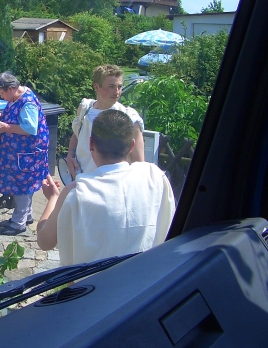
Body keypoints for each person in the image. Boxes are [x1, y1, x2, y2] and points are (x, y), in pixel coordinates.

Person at [37, 110, 176, 265]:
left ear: (91, 144)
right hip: (146, 276)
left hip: (93, 281)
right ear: (131, 145)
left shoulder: (76, 192)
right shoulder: (155, 176)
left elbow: (44, 241)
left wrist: (53, 198)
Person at [0, 71, 50, 236]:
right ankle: (27, 216)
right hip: (21, 151)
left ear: (10, 89)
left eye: (2, 94)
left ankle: (18, 223)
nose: (2, 98)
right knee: (25, 184)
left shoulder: (27, 103)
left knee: (22, 185)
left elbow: (30, 128)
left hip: (27, 152)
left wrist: (6, 127)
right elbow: (17, 116)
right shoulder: (17, 97)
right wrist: (2, 115)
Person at [66, 64, 144, 180]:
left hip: (112, 183)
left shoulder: (128, 117)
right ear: (96, 87)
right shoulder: (85, 108)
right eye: (111, 86)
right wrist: (70, 156)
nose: (116, 92)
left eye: (119, 86)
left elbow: (139, 164)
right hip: (81, 179)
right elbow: (77, 134)